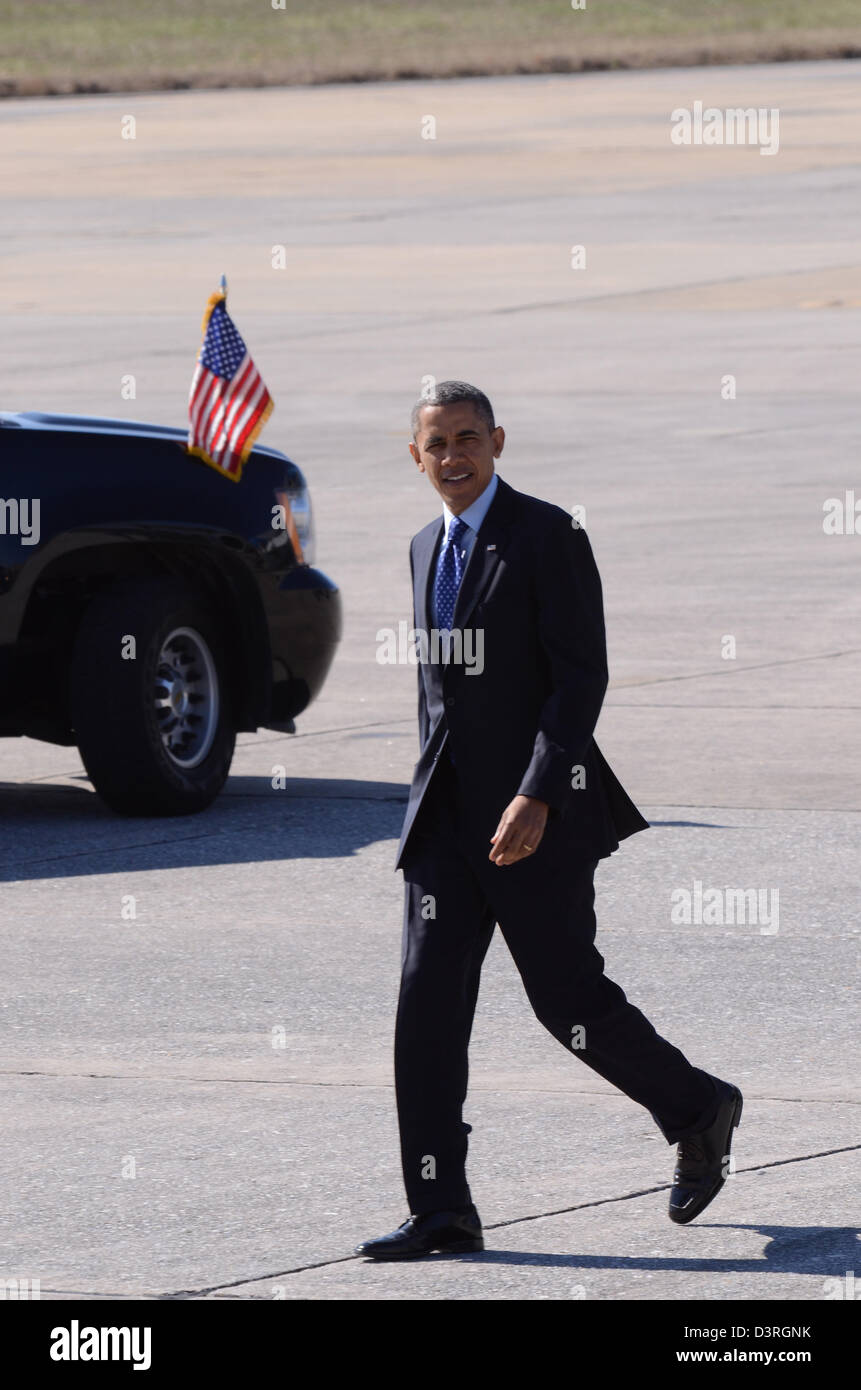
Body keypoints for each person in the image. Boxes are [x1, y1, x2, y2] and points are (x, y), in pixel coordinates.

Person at [356, 381, 742, 1261]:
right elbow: (440, 700)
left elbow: (580, 679)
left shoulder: (546, 535)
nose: (453, 458)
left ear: (497, 441)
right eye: (436, 445)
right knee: (424, 1014)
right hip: (443, 828)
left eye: (467, 440)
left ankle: (696, 1107)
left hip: (536, 815)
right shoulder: (424, 546)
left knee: (566, 1003)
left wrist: (536, 793)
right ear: (412, 455)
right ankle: (440, 1207)